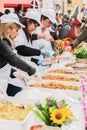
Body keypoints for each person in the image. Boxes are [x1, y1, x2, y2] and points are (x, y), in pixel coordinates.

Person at [0, 13, 36, 96]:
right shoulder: (3, 43)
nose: (18, 34)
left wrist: (14, 72)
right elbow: (14, 59)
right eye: (16, 30)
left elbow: (2, 64)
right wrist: (31, 70)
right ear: (9, 28)